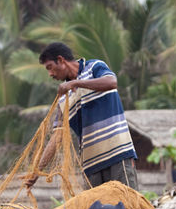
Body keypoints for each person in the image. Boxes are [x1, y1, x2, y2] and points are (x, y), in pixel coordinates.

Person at [25, 42, 139, 190]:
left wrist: (75, 83)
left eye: (50, 68)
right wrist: (37, 171)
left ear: (61, 60)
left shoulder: (94, 67)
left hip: (118, 154)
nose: (50, 74)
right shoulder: (63, 99)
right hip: (91, 165)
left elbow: (112, 82)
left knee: (128, 204)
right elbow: (57, 137)